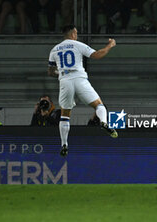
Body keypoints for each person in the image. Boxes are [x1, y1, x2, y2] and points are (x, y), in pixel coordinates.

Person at [48, 24, 118, 157]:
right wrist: (110, 45)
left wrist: (62, 73)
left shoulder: (54, 50)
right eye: (77, 33)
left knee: (65, 114)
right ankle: (103, 122)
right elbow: (97, 55)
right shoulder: (78, 45)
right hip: (79, 78)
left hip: (65, 80)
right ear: (73, 33)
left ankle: (64, 144)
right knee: (98, 105)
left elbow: (50, 72)